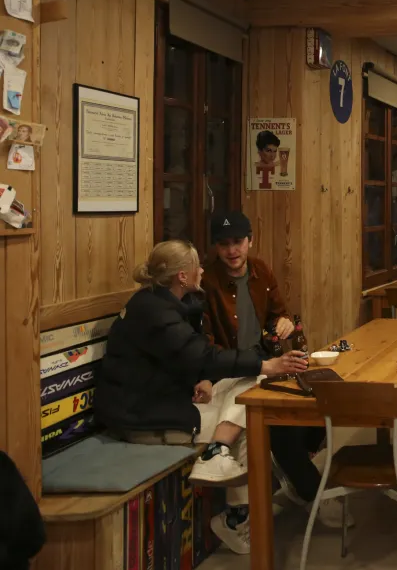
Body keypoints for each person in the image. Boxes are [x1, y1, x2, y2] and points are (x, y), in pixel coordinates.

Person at [96, 240, 309, 554]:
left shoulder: (159, 302)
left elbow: (183, 357)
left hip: (164, 400)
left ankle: (220, 457)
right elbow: (202, 355)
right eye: (196, 266)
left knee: (250, 387)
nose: (202, 271)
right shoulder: (154, 312)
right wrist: (266, 364)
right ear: (182, 276)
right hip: (143, 417)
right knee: (251, 414)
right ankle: (233, 505)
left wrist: (204, 379)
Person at [201, 211, 352, 545]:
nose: (232, 250)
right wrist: (257, 365)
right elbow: (207, 348)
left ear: (250, 240)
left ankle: (302, 484)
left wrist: (283, 323)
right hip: (232, 372)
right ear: (215, 247)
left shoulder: (261, 271)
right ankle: (308, 490)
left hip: (266, 363)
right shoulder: (207, 282)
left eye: (237, 242)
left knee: (315, 395)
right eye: (224, 244)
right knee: (276, 421)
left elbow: (279, 315)